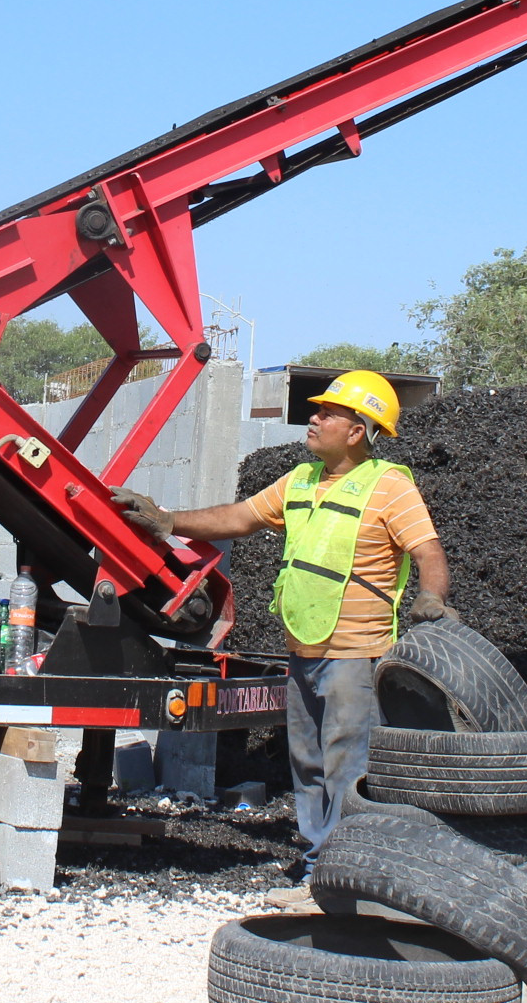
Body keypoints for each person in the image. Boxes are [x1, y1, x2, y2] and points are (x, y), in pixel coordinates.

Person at [110, 369, 450, 902]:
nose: (312, 419)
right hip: (303, 649)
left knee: (347, 765)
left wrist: (432, 598)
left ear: (358, 429)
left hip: (355, 655)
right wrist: (168, 520)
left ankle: (348, 880)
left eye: (327, 413)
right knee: (309, 764)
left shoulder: (390, 485)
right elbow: (239, 517)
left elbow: (428, 551)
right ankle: (320, 869)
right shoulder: (301, 480)